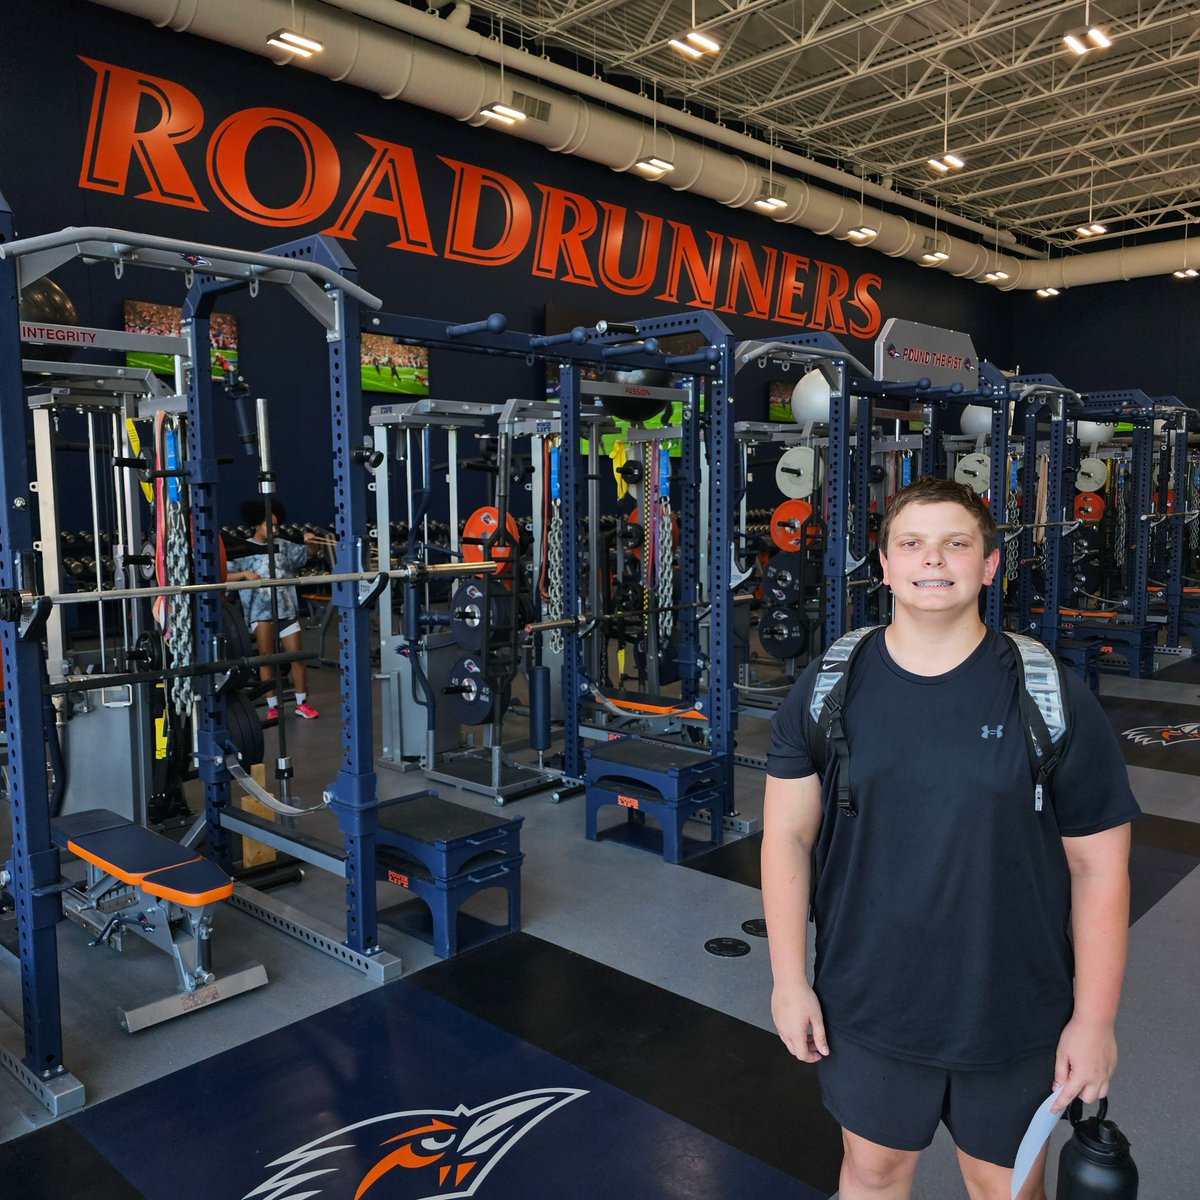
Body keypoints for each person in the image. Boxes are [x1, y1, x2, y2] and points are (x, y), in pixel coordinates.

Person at [761, 475, 1140, 1200]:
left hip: (1010, 1009)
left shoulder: (1049, 694)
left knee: (1003, 1187)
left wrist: (1093, 1022)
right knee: (872, 1176)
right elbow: (786, 837)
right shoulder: (827, 686)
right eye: (912, 544)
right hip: (866, 1002)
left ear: (989, 565)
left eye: (955, 544)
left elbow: (1100, 870)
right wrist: (787, 981)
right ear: (884, 565)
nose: (933, 561)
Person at [226, 499, 321, 722]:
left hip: (286, 610)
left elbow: (310, 554)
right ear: (257, 525)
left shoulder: (284, 546)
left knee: (297, 657)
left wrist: (311, 542)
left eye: (277, 525)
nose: (275, 529)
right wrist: (244, 575)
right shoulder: (243, 549)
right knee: (266, 659)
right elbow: (224, 576)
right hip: (260, 614)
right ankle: (273, 707)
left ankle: (301, 703)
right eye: (271, 525)